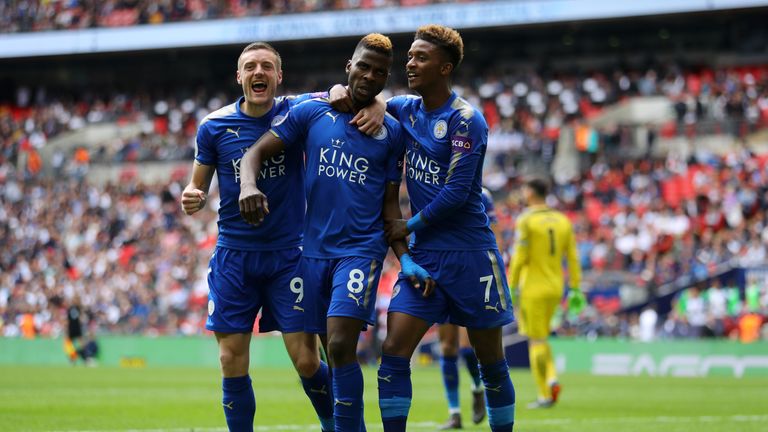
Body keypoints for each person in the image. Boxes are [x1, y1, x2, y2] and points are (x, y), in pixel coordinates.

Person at [238, 34, 431, 432]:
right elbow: (255, 152)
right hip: (312, 254)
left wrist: (405, 257)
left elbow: (390, 204)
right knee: (328, 350)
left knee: (342, 344)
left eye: (380, 72)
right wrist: (247, 185)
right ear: (349, 66)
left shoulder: (393, 132)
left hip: (360, 250)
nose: (370, 75)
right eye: (364, 66)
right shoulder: (313, 111)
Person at [329, 25, 517, 432]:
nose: (410, 63)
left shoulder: (466, 120)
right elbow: (361, 94)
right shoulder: (405, 108)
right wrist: (348, 95)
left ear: (445, 67)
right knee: (393, 351)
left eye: (420, 57)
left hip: (470, 255)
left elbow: (457, 191)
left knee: (491, 363)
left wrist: (406, 225)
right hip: (426, 256)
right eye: (410, 56)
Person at [181, 42, 335, 432]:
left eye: (267, 66)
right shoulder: (214, 126)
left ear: (278, 76)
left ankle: (337, 425)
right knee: (231, 359)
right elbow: (196, 187)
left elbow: (338, 92)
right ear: (239, 77)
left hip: (290, 255)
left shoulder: (295, 111)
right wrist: (192, 197)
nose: (258, 72)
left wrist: (360, 100)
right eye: (250, 66)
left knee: (305, 359)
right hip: (235, 255)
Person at [507, 176, 584, 409]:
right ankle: (551, 380)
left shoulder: (526, 220)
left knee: (535, 340)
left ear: (531, 192)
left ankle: (546, 391)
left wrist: (512, 286)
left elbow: (520, 257)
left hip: (533, 287)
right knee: (542, 337)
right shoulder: (563, 220)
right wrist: (576, 288)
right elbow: (572, 257)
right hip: (555, 287)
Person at [436, 187, 499, 429]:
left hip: (473, 271)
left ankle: (477, 387)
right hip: (443, 271)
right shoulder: (434, 186)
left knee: (465, 348)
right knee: (447, 346)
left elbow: (495, 232)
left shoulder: (482, 194)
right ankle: (454, 413)